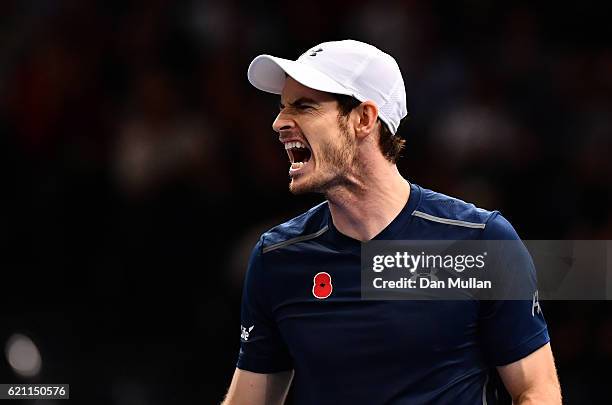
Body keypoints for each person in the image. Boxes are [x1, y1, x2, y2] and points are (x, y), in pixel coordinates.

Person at [222, 40, 561, 405]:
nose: (279, 123)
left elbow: (536, 391)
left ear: (364, 119)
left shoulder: (480, 241)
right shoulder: (277, 258)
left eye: (305, 106)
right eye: (282, 107)